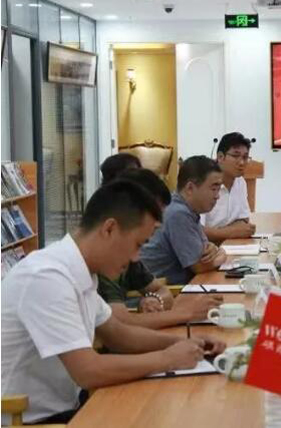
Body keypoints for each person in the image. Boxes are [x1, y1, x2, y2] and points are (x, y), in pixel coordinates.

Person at [1, 181, 226, 424]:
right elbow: (88, 371)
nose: (136, 258)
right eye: (137, 245)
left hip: (67, 408)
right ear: (109, 229)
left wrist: (186, 343)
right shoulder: (46, 277)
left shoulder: (82, 270)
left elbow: (119, 335)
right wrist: (167, 358)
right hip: (27, 420)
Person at [99, 168, 222, 329]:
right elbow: (121, 325)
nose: (159, 224)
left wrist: (154, 299)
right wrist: (187, 313)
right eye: (154, 217)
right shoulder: (102, 260)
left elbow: (162, 290)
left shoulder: (127, 252)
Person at [140, 156, 227, 285]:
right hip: (163, 292)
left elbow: (206, 250)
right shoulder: (178, 213)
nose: (217, 196)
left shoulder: (185, 208)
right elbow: (199, 266)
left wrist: (215, 250)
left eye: (219, 189)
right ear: (190, 188)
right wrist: (222, 255)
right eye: (214, 189)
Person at [202, 132, 256, 242]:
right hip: (206, 247)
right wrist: (230, 232)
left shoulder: (240, 182)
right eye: (236, 156)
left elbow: (243, 220)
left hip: (229, 244)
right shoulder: (204, 184)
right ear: (220, 157)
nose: (242, 162)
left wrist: (232, 231)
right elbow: (196, 230)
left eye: (245, 157)